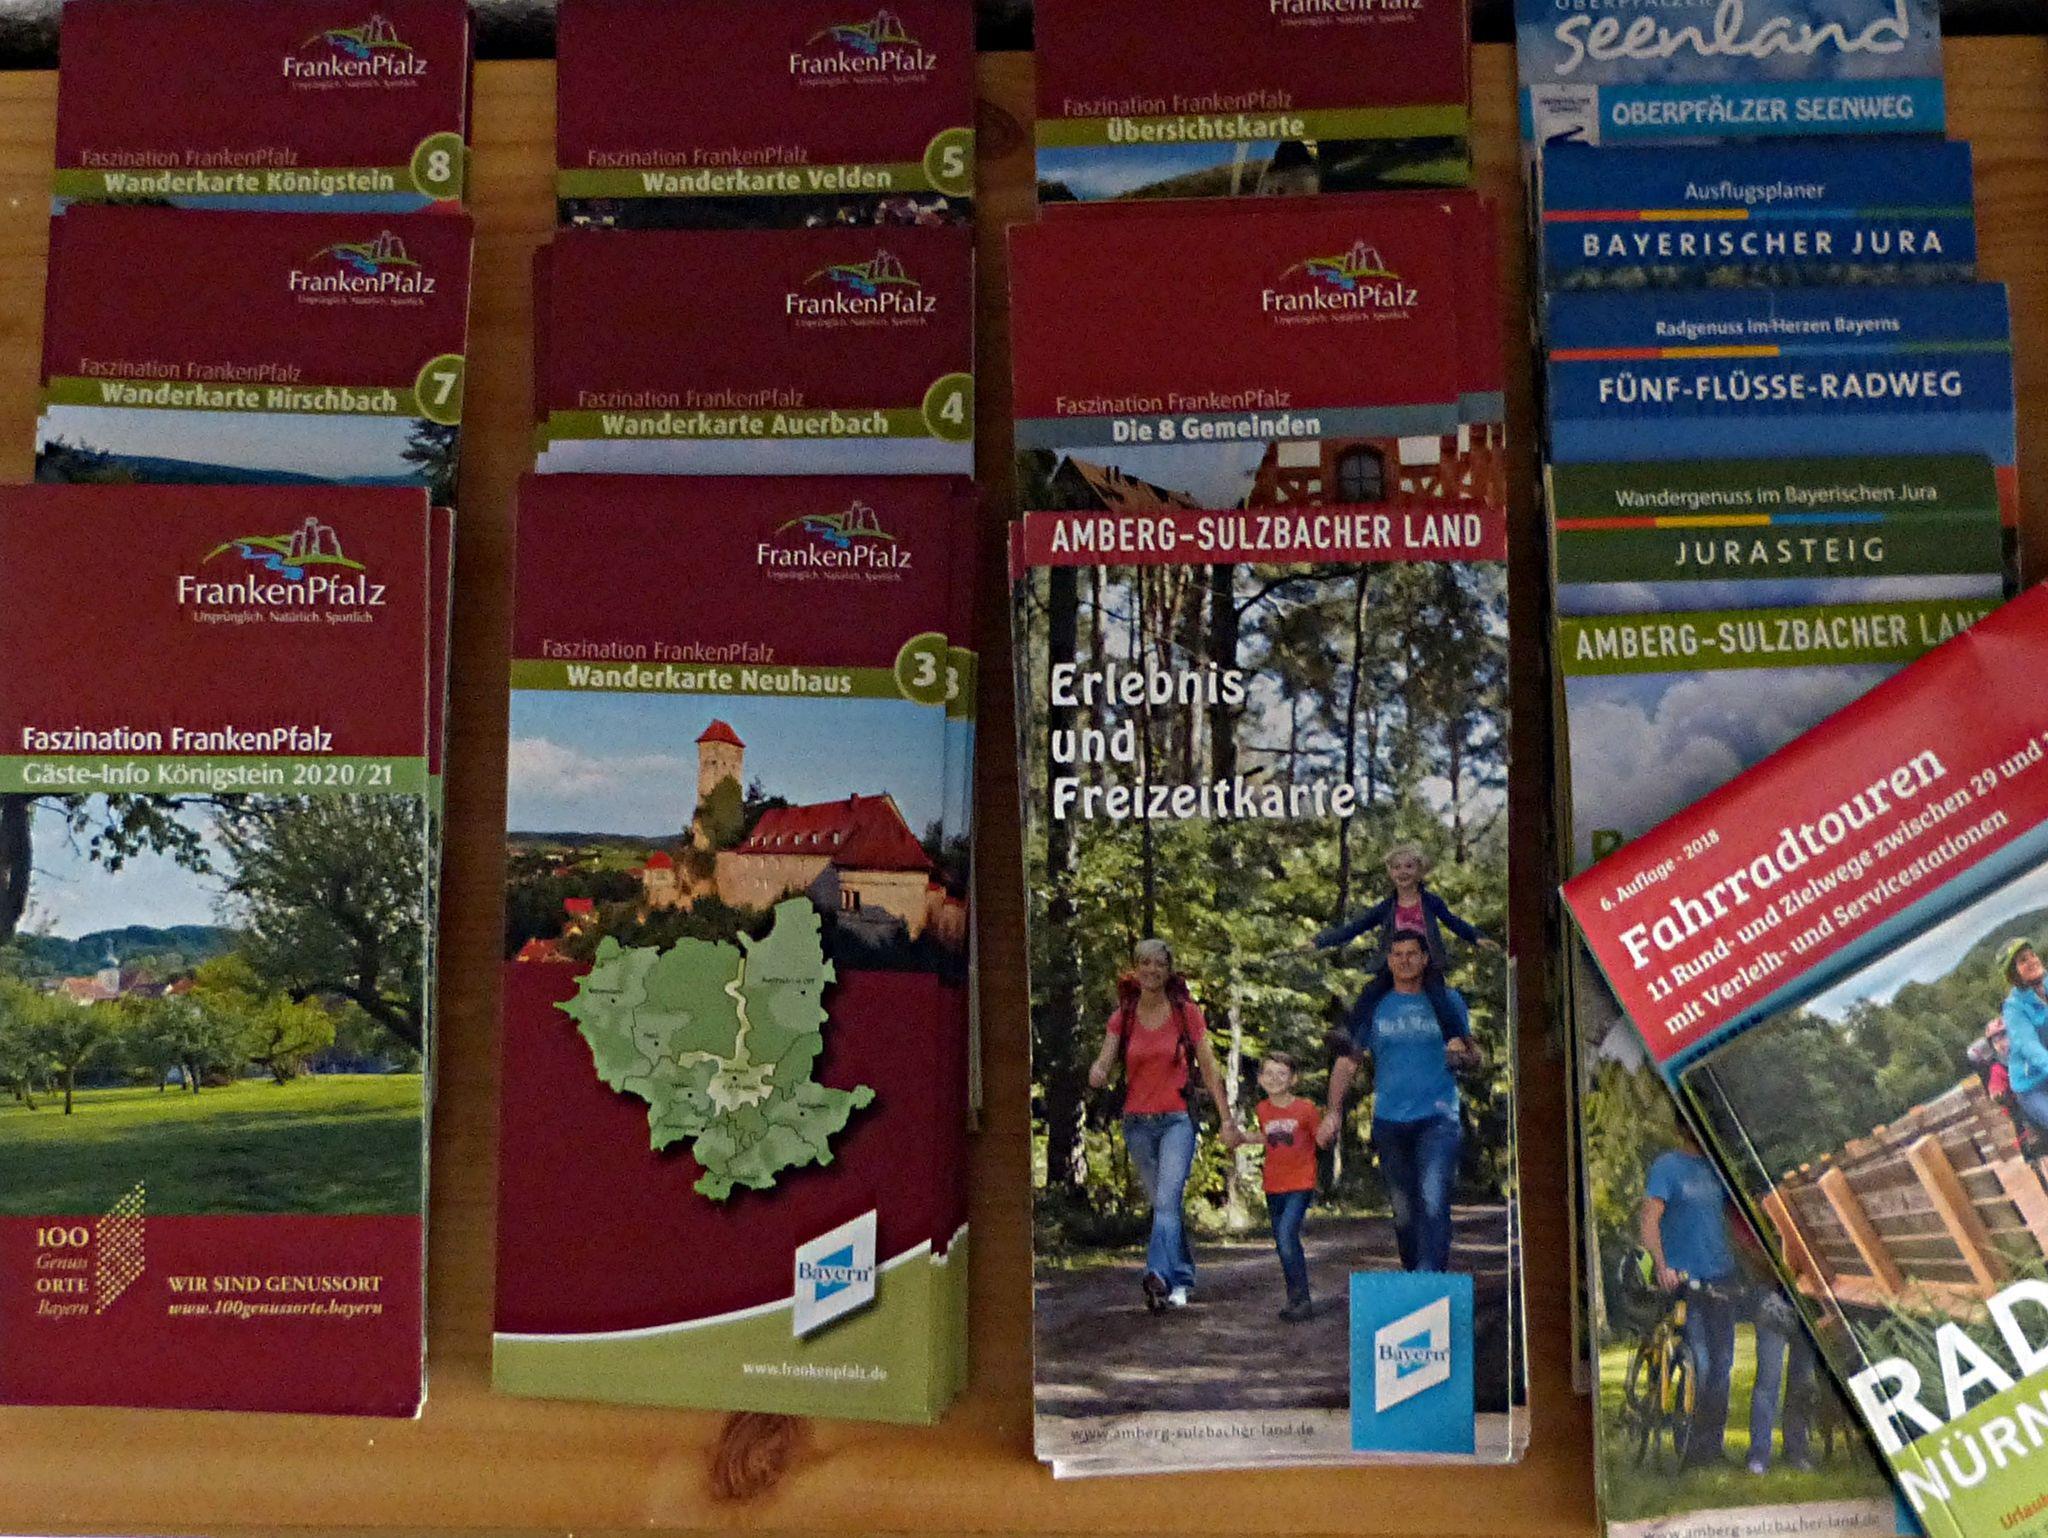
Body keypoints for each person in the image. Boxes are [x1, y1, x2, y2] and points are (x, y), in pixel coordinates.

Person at [1087, 938, 1239, 1312]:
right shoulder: (1123, 1016)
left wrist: (1226, 1120)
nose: (1152, 970)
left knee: (1167, 1202)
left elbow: (1209, 1068)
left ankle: (1157, 1274)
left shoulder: (1186, 1013)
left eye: (1159, 964)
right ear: (1136, 969)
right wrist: (1097, 1073)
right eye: (1145, 963)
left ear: (1168, 971)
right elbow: (1104, 1061)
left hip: (1177, 1121)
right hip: (1136, 1123)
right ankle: (1182, 1277)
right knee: (1163, 1206)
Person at [1318, 931, 1480, 1273]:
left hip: (1438, 1117)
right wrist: (1333, 1112)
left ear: (1425, 959)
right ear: (1388, 960)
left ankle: (1428, 1280)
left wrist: (1462, 1057)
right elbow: (1348, 1061)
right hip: (1390, 1120)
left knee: (1433, 1201)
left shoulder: (1447, 1001)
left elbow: (1474, 1054)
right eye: (1397, 954)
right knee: (1404, 1213)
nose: (1404, 960)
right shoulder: (1375, 1005)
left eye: (1412, 953)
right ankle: (1413, 1279)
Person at [1306, 844, 1498, 1042]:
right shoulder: (1387, 907)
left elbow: (1453, 922)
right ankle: (1351, 1035)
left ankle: (1456, 1040)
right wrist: (1319, 941)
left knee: (1439, 996)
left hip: (1425, 961)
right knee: (1370, 992)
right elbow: (1356, 927)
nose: (1402, 872)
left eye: (1409, 866)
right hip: (1397, 961)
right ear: (1390, 872)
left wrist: (1476, 937)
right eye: (1396, 867)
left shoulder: (1430, 902)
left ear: (1420, 871)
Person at [1640, 1125, 1741, 1471]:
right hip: (1684, 1280)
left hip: (1721, 1277)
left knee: (1723, 1366)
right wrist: (1662, 1266)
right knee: (1701, 1363)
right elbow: (1650, 1220)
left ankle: (1712, 1447)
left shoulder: (1718, 1168)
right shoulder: (1667, 1167)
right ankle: (1690, 1446)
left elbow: (1733, 1221)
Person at [1244, 1050, 1320, 1322]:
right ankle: (1294, 1298)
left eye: (1282, 1074)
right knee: (1282, 1242)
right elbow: (1269, 1137)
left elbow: (1320, 1138)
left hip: (1301, 1182)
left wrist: (1330, 1127)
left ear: (1293, 1079)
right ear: (1260, 1078)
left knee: (1287, 1235)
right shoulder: (1262, 1109)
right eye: (1268, 1073)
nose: (1274, 1079)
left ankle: (1302, 1299)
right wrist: (1241, 1137)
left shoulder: (1306, 1109)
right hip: (1273, 1184)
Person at [1997, 939, 2048, 1138]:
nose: (2032, 961)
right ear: (2013, 974)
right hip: (2033, 1086)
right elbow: (2030, 1047)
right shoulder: (2014, 1008)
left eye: (2032, 955)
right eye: (2023, 960)